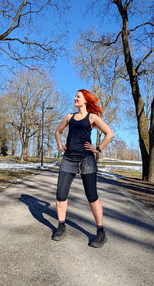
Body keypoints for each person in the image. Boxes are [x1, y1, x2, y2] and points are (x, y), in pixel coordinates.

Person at [52, 89, 114, 248]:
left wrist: (98, 149)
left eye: (78, 97)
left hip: (86, 159)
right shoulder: (69, 117)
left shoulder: (92, 117)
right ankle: (61, 226)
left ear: (85, 100)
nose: (75, 98)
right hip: (69, 158)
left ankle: (101, 232)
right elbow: (57, 131)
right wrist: (60, 145)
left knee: (92, 195)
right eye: (75, 96)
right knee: (60, 194)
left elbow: (109, 133)